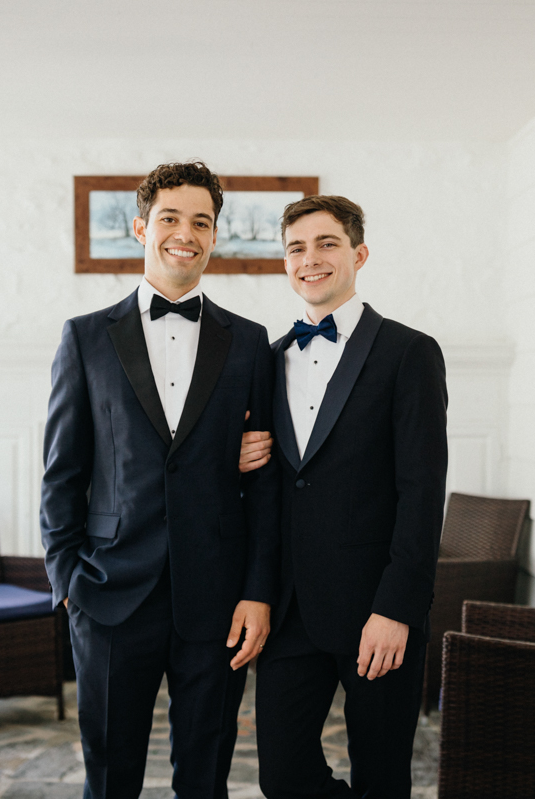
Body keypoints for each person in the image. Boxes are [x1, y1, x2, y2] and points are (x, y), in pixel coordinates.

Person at [41, 161, 279, 799]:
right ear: (142, 227)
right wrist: (66, 577)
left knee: (205, 778)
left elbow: (264, 486)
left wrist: (257, 590)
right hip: (109, 592)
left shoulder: (253, 344)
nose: (186, 233)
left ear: (214, 236)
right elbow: (61, 473)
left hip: (218, 597)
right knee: (110, 776)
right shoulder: (85, 338)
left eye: (202, 222)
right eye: (171, 218)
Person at [239, 195, 448, 798]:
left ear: (358, 254)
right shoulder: (269, 358)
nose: (310, 259)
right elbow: (272, 483)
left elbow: (422, 491)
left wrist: (398, 608)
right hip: (291, 611)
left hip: (375, 610)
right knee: (282, 776)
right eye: (296, 248)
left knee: (381, 778)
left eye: (326, 244)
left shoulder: (410, 353)